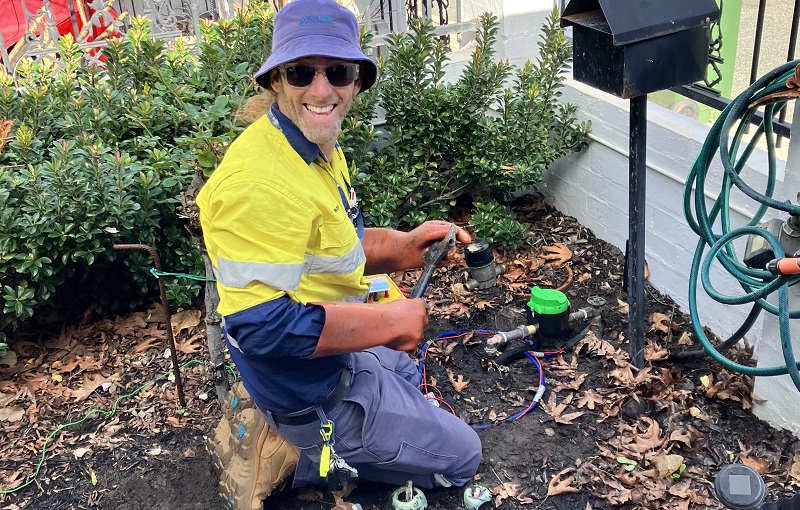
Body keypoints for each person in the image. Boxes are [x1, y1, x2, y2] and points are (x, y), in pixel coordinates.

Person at [197, 0, 482, 506]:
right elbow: (261, 327)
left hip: (330, 351)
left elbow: (334, 246)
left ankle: (373, 419)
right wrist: (391, 321)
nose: (322, 89)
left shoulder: (310, 143)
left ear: (357, 80)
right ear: (277, 82)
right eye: (302, 71)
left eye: (339, 72)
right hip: (307, 389)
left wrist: (401, 247)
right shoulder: (258, 183)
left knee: (407, 371)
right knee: (465, 456)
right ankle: (309, 454)